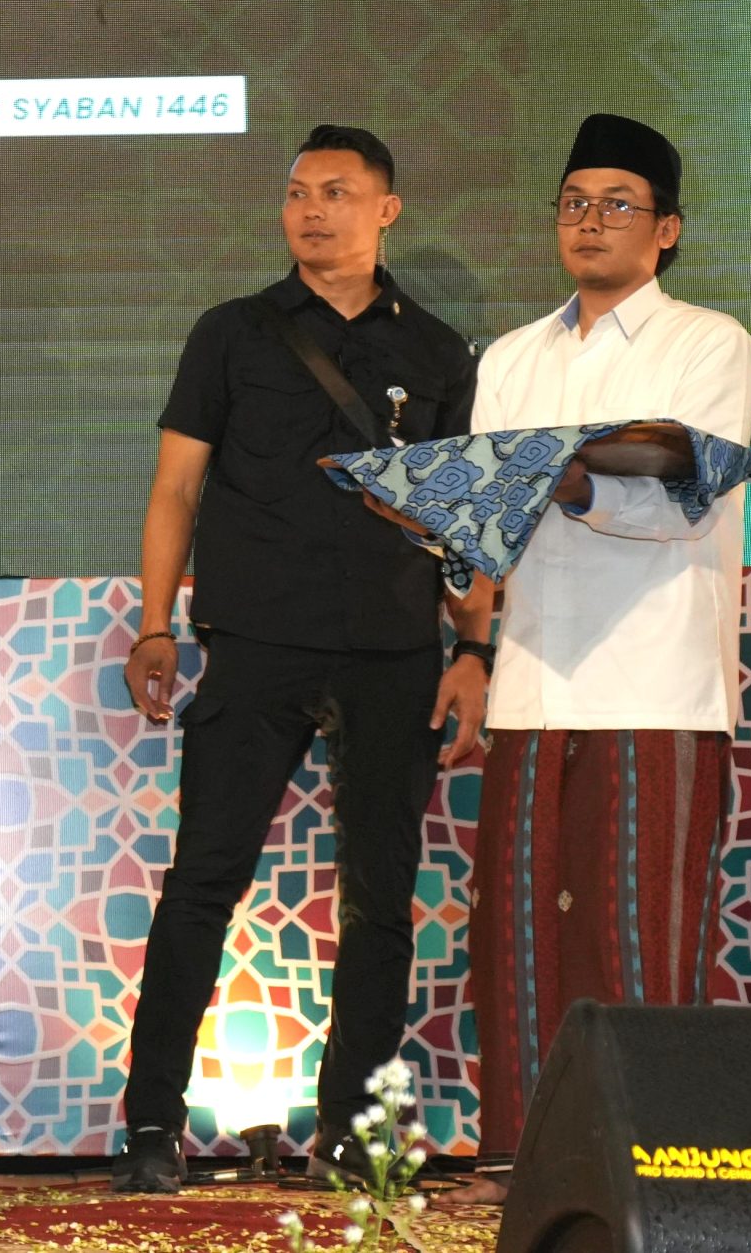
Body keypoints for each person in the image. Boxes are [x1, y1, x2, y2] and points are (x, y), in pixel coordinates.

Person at [111, 125, 488, 1195]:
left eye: (336, 191)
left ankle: (352, 1136)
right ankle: (151, 1126)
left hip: (392, 648)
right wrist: (154, 623)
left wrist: (473, 646)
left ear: (386, 210)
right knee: (203, 882)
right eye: (295, 192)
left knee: (380, 900)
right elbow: (175, 488)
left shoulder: (439, 351)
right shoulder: (231, 331)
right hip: (255, 641)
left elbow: (465, 520)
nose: (310, 210)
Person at [446, 114, 751, 1207]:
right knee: (520, 932)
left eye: (617, 204)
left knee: (638, 930)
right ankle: (518, 1162)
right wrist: (443, 536)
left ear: (665, 230)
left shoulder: (708, 343)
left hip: (656, 680)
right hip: (534, 675)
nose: (590, 222)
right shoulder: (511, 356)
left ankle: (641, 1167)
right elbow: (489, 515)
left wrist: (568, 483)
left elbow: (685, 499)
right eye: (574, 203)